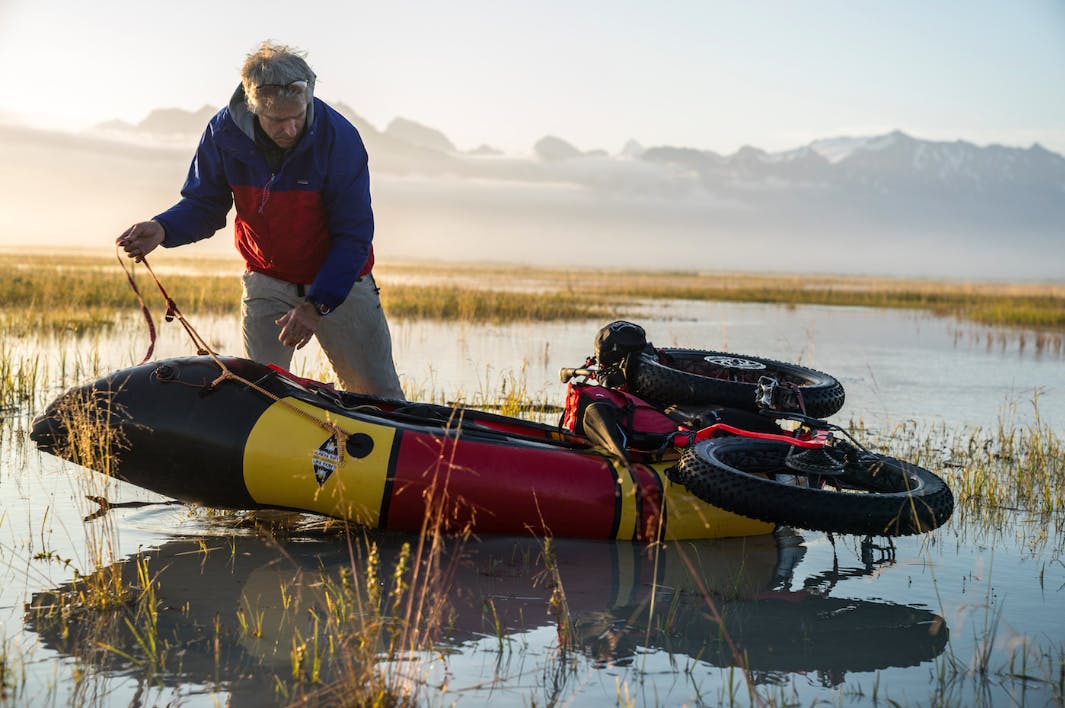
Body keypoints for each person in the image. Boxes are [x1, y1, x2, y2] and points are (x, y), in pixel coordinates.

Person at [117, 41, 405, 400]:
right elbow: (205, 205)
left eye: (298, 116)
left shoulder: (340, 139)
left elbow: (354, 236)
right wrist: (163, 228)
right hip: (267, 281)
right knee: (262, 398)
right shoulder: (223, 134)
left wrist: (318, 305)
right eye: (277, 121)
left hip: (343, 284)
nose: (290, 128)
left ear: (309, 97)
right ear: (253, 108)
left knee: (380, 400)